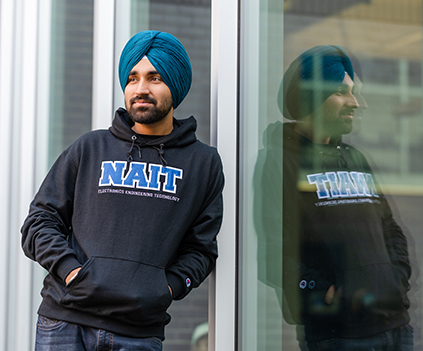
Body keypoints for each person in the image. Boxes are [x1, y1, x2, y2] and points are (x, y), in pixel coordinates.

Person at [21, 30, 224, 351]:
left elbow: (201, 250)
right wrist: (70, 270)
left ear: (176, 83)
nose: (141, 89)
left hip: (139, 332)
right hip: (65, 322)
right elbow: (39, 222)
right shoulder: (90, 148)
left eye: (154, 77)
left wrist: (168, 288)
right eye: (133, 78)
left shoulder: (202, 163)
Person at [254, 45, 412, 350]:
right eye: (342, 92)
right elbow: (273, 251)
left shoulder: (355, 158)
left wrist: (396, 278)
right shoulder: (280, 161)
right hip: (338, 337)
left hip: (396, 327)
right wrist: (324, 291)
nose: (356, 103)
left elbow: (390, 228)